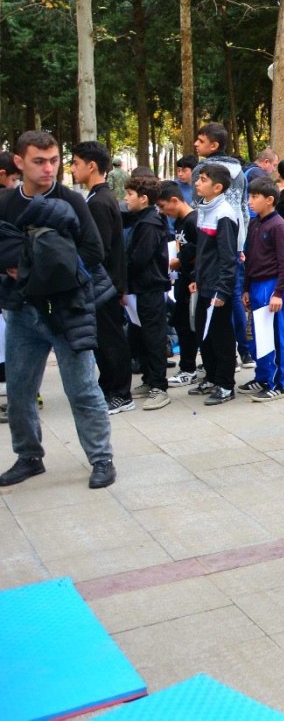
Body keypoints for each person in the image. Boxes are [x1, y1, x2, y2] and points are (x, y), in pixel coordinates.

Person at [0, 131, 117, 489]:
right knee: (19, 391)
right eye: (39, 161)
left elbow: (95, 252)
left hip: (68, 310)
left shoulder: (73, 201)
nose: (49, 168)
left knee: (82, 389)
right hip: (22, 312)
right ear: (19, 162)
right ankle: (29, 457)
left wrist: (49, 268)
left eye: (53, 160)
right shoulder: (5, 203)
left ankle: (102, 460)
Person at [71, 141, 133, 415]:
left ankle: (121, 393)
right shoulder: (97, 198)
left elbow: (100, 249)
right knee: (104, 339)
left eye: (75, 163)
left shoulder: (99, 202)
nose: (72, 169)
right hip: (105, 282)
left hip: (104, 283)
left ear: (91, 166)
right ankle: (109, 386)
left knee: (111, 340)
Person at [188, 164, 240, 406]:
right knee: (202, 332)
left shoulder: (225, 213)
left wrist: (222, 290)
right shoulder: (203, 208)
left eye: (203, 179)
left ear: (217, 187)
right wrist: (195, 278)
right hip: (204, 283)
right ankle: (211, 375)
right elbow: (203, 252)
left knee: (221, 336)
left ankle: (225, 384)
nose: (197, 182)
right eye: (198, 178)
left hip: (218, 288)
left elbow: (228, 256)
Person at [239, 179, 284, 401]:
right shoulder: (255, 223)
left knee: (274, 335)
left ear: (269, 200)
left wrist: (279, 293)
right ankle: (262, 376)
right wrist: (245, 288)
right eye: (249, 196)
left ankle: (279, 383)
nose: (250, 201)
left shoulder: (279, 226)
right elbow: (249, 259)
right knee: (258, 336)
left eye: (254, 197)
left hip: (273, 285)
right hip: (256, 284)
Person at [123, 175, 172, 411]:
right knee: (140, 335)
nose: (125, 198)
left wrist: (122, 272)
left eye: (130, 194)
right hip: (138, 288)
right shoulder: (140, 220)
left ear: (143, 199)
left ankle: (159, 386)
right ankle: (148, 379)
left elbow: (139, 258)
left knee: (153, 336)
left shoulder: (150, 223)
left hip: (149, 287)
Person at [156, 181, 201, 388]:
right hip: (182, 279)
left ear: (175, 200)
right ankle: (189, 365)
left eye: (164, 206)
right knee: (182, 324)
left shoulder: (193, 221)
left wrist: (180, 261)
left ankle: (189, 368)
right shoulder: (181, 222)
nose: (163, 212)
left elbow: (197, 251)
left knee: (187, 326)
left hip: (192, 281)